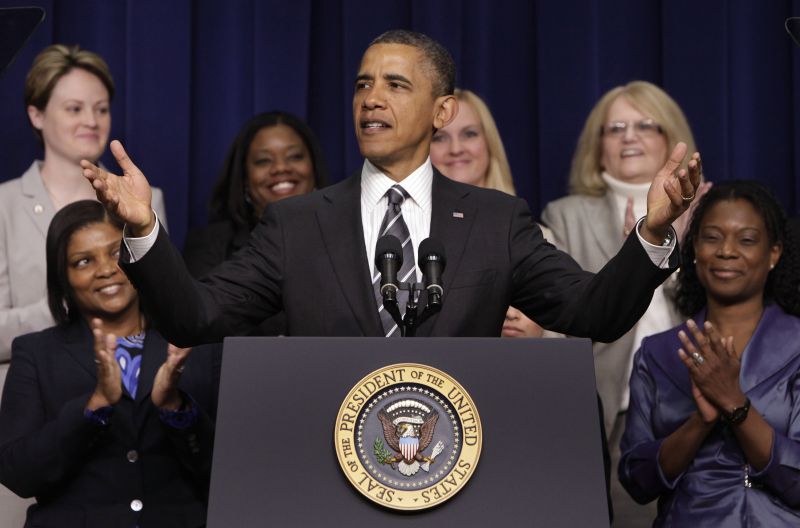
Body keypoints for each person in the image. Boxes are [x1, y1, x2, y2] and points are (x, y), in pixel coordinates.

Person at [81, 30, 700, 350]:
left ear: (442, 110)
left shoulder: (496, 220)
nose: (371, 98)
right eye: (361, 85)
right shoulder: (297, 224)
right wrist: (141, 229)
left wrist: (652, 234)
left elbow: (596, 313)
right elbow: (195, 317)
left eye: (395, 85)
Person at [0, 200, 218, 527]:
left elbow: (228, 469)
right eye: (84, 261)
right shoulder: (35, 353)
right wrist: (94, 406)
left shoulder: (191, 344)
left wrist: (176, 407)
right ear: (64, 276)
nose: (105, 269)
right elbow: (18, 474)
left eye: (116, 253)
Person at [619, 180, 800, 525]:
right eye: (712, 238)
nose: (726, 251)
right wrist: (700, 421)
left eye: (746, 240)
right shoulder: (657, 354)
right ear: (695, 249)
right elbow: (636, 480)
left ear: (773, 253)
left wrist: (735, 405)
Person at [0, 44, 169, 397]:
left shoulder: (144, 198)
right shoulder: (4, 206)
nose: (91, 121)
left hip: (133, 397)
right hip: (33, 398)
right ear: (37, 115)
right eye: (74, 109)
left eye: (101, 109)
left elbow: (166, 307)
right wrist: (70, 302)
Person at [541, 81, 708, 436]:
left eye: (645, 125)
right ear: (598, 147)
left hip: (698, 406)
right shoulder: (566, 216)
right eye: (615, 128)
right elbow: (561, 326)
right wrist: (636, 255)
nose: (629, 137)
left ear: (670, 137)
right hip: (608, 410)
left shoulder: (709, 209)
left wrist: (678, 241)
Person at [430, 88, 557, 338]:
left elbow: (566, 333)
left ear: (489, 143)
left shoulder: (534, 235)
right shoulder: (409, 234)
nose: (456, 148)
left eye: (469, 134)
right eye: (440, 137)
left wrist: (538, 330)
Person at [183, 111, 329, 278]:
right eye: (263, 160)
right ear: (244, 178)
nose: (281, 168)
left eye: (294, 157)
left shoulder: (346, 234)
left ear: (314, 169)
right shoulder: (210, 245)